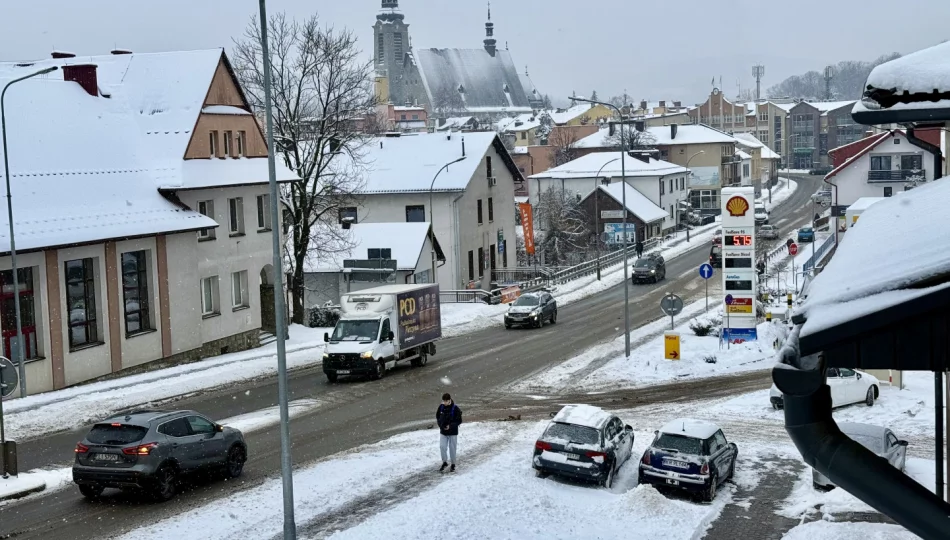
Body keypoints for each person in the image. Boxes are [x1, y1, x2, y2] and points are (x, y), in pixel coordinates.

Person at [436, 393, 462, 472]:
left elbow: (459, 421)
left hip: (453, 432)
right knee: (442, 447)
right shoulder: (441, 407)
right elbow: (438, 417)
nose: (444, 403)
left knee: (452, 449)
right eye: (443, 401)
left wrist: (450, 426)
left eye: (446, 401)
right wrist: (441, 425)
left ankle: (453, 464)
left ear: (449, 400)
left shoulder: (455, 408)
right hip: (443, 432)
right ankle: (444, 462)